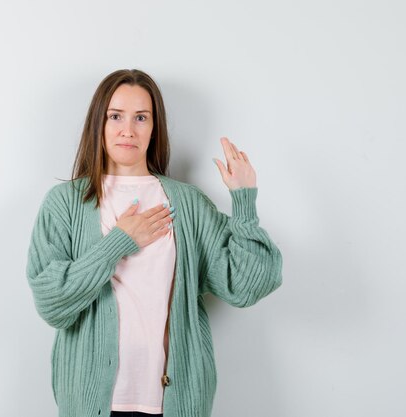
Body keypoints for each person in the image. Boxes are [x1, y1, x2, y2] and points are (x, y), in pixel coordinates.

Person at [26, 69, 283, 417]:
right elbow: (52, 303)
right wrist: (118, 243)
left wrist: (244, 202)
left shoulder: (188, 203)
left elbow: (246, 285)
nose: (127, 130)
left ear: (154, 127)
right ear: (98, 124)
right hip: (90, 402)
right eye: (115, 116)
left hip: (174, 403)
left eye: (141, 117)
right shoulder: (64, 203)